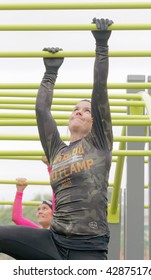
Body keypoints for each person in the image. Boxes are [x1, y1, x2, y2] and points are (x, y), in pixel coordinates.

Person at [0, 18, 113, 260]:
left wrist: (101, 46)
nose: (78, 111)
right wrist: (50, 73)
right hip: (53, 240)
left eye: (86, 110)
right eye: (75, 109)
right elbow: (42, 112)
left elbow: (100, 90)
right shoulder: (57, 150)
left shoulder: (99, 143)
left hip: (89, 245)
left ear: (96, 122)